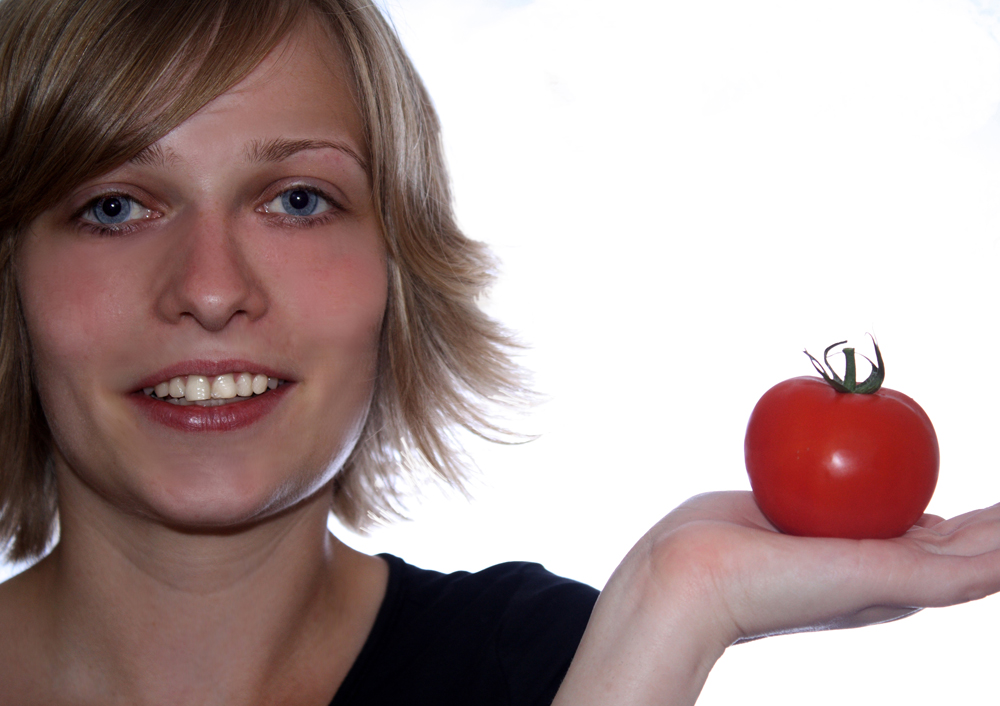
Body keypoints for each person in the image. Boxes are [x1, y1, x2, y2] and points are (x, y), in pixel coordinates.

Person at [2, 0, 1000, 704]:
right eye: (113, 206)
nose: (212, 287)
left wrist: (673, 612)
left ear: (400, 272)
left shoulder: (559, 668)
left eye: (299, 201)